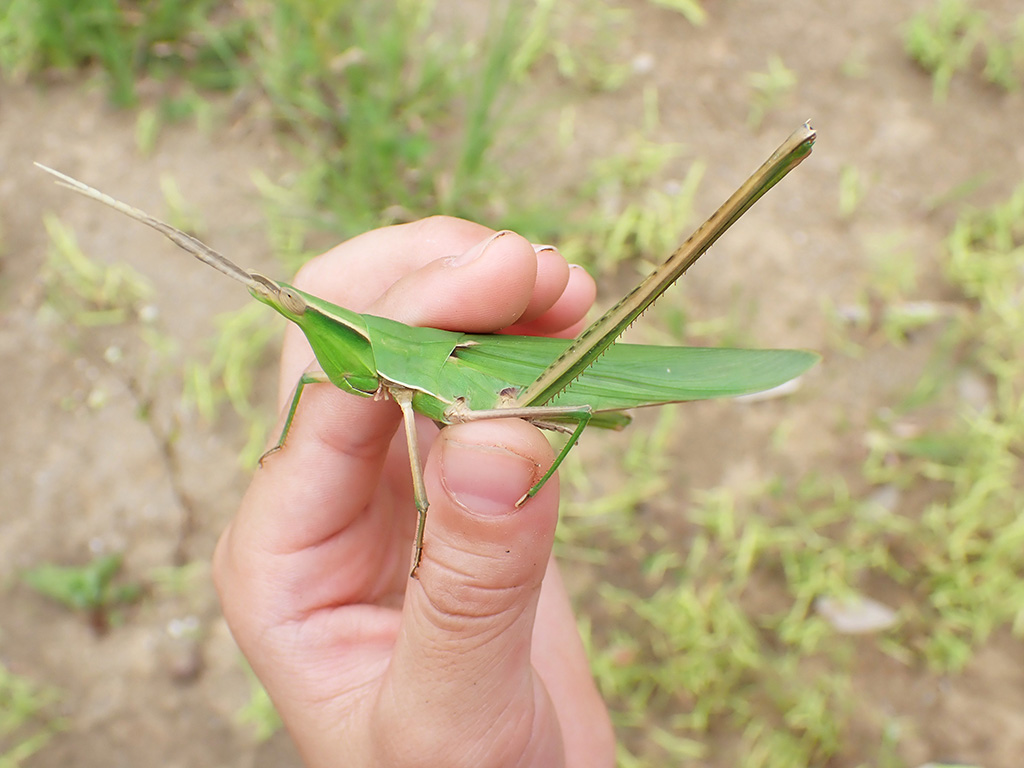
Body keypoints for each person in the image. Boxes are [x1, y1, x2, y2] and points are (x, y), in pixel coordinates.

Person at [213, 216, 617, 767]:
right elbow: (315, 379)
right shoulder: (339, 365)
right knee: (315, 381)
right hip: (467, 383)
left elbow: (425, 490)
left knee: (576, 407)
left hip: (510, 390)